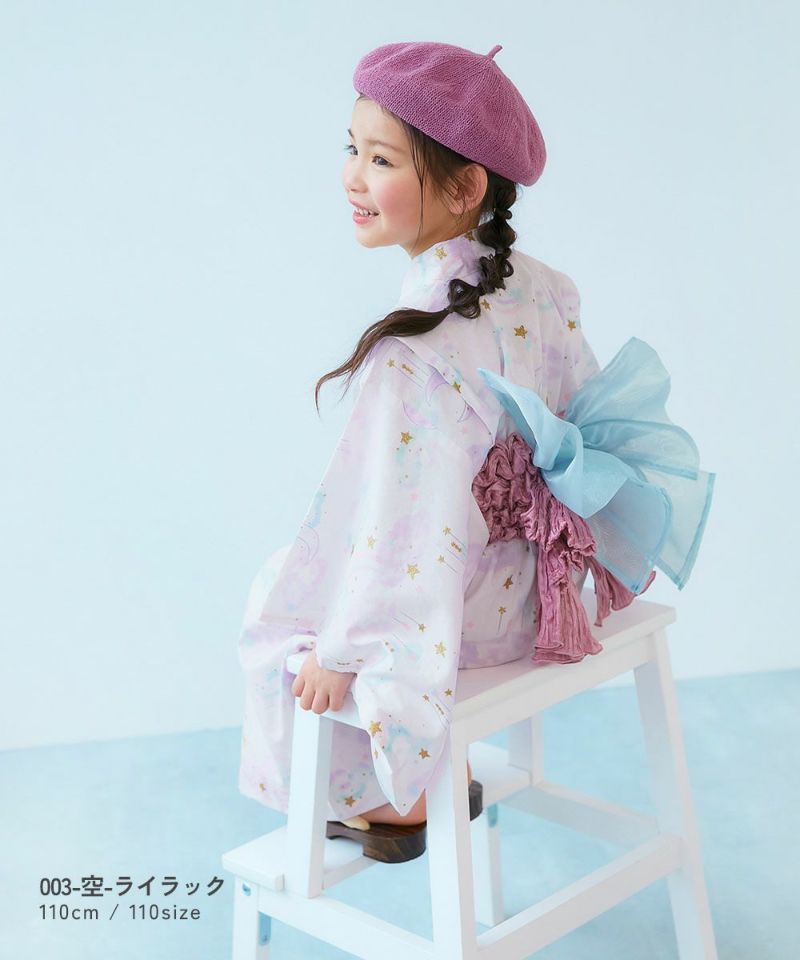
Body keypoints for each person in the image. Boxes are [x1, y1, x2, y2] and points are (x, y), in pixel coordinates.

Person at [236, 42, 714, 853]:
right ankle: (417, 771)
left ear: (464, 189)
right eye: (352, 149)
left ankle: (392, 795)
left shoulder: (415, 350)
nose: (353, 177)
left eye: (382, 159)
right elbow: (589, 421)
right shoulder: (545, 289)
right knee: (343, 567)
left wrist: (345, 651)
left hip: (465, 617)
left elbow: (402, 531)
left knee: (282, 598)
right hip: (543, 586)